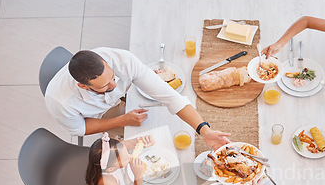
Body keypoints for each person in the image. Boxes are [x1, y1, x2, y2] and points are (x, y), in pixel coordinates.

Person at [45, 47, 230, 149]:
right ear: (83, 86)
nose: (115, 85)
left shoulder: (124, 61)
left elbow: (171, 97)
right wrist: (122, 120)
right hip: (96, 117)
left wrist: (204, 130)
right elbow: (80, 128)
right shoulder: (60, 102)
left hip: (118, 103)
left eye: (113, 77)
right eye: (105, 86)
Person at [85, 132, 154, 185]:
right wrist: (138, 175)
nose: (129, 156)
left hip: (124, 181)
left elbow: (127, 144)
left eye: (127, 152)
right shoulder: (105, 181)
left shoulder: (114, 149)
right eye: (125, 159)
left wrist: (142, 141)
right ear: (111, 169)